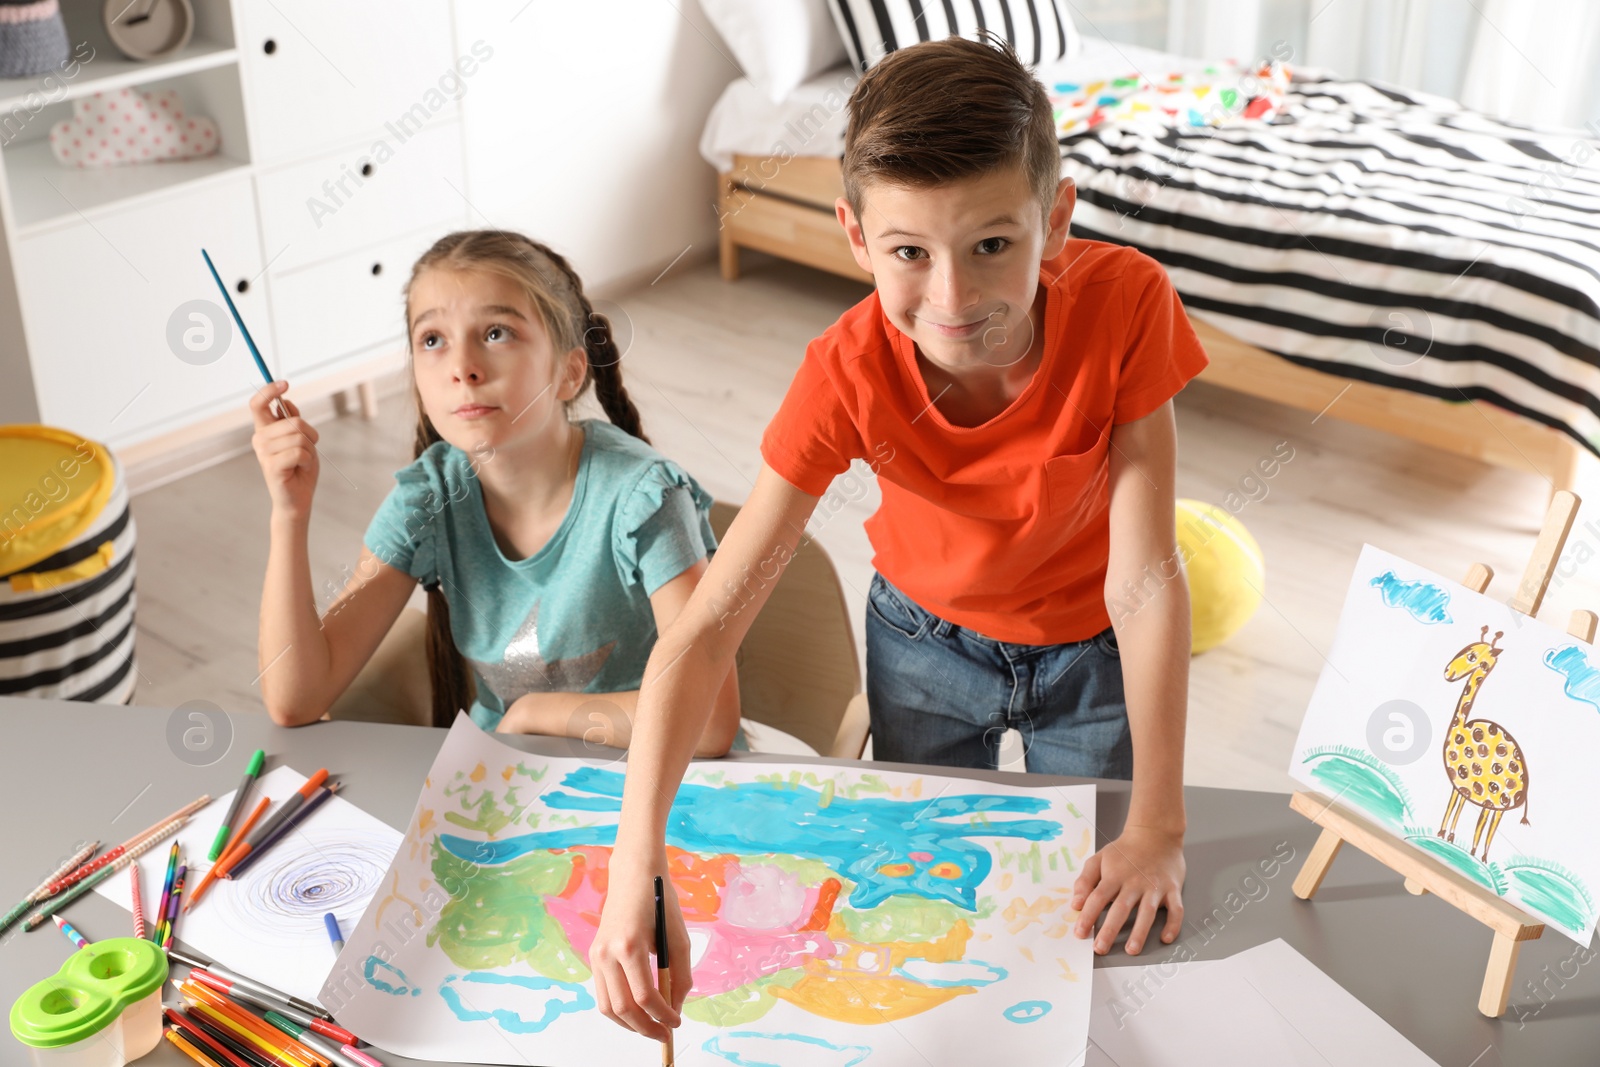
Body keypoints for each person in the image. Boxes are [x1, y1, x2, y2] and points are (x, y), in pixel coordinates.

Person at [587, 33, 1209, 1039]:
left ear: (1055, 221)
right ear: (854, 236)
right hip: (923, 651)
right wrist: (634, 866)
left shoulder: (1127, 302)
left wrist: (1161, 827)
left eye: (992, 246)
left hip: (1095, 651)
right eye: (909, 253)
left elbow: (1145, 574)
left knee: (1098, 916)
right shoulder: (841, 373)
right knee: (925, 899)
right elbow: (703, 632)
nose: (953, 301)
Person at [249, 229, 740, 753]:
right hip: (506, 791)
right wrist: (289, 513)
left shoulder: (643, 499)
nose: (463, 368)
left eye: (497, 333)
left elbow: (708, 720)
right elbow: (294, 699)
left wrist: (535, 713)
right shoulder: (426, 499)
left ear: (570, 372)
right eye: (433, 340)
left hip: (652, 787)